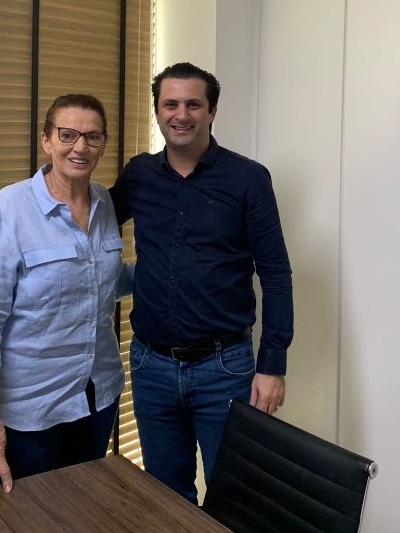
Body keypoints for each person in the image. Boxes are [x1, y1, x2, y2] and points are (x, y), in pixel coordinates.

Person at [109, 62, 294, 504]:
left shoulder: (248, 179)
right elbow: (92, 224)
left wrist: (272, 365)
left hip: (224, 368)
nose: (181, 114)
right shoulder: (139, 175)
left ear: (212, 111)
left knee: (235, 496)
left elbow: (275, 274)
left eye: (193, 105)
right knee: (166, 497)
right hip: (151, 366)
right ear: (157, 111)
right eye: (170, 104)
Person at [0, 94, 133, 504]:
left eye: (92, 136)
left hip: (97, 396)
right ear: (46, 140)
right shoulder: (10, 208)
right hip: (28, 412)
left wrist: (173, 276)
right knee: (25, 515)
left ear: (103, 143)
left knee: (83, 509)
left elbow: (103, 281)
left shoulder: (104, 203)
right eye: (67, 134)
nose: (80, 146)